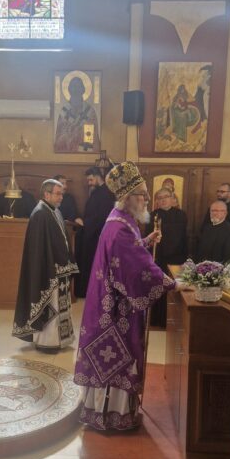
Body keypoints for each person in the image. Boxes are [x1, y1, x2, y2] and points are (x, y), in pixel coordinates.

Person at [74, 162, 178, 431]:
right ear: (129, 197)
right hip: (115, 310)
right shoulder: (120, 226)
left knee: (114, 357)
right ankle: (111, 413)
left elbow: (126, 255)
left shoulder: (119, 218)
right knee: (116, 357)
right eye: (142, 194)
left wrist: (145, 242)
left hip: (110, 301)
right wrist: (170, 282)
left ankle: (111, 410)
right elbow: (134, 265)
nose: (147, 199)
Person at [12, 179, 78, 353]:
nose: (61, 197)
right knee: (51, 307)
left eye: (62, 193)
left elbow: (62, 241)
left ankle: (61, 340)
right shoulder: (40, 214)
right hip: (49, 271)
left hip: (59, 269)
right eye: (58, 194)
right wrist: (49, 269)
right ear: (47, 194)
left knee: (60, 307)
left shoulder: (54, 211)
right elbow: (38, 250)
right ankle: (48, 342)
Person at [146, 187, 188, 327]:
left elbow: (183, 238)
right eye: (160, 198)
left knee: (172, 291)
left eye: (166, 197)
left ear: (172, 199)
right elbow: (148, 239)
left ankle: (172, 321)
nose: (163, 200)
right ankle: (156, 320)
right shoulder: (152, 216)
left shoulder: (181, 215)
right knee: (158, 289)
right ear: (157, 201)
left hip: (176, 260)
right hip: (158, 259)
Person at [74, 166, 115, 298]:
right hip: (90, 234)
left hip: (96, 236)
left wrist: (86, 223)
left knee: (93, 264)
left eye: (91, 180)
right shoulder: (97, 192)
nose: (89, 183)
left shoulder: (106, 193)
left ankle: (91, 292)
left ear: (98, 177)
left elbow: (102, 217)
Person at [54, 76, 100, 153]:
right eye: (73, 86)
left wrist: (78, 133)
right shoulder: (64, 111)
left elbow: (92, 136)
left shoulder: (89, 111)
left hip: (84, 152)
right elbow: (59, 135)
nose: (76, 89)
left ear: (83, 89)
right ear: (69, 89)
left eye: (78, 86)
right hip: (66, 151)